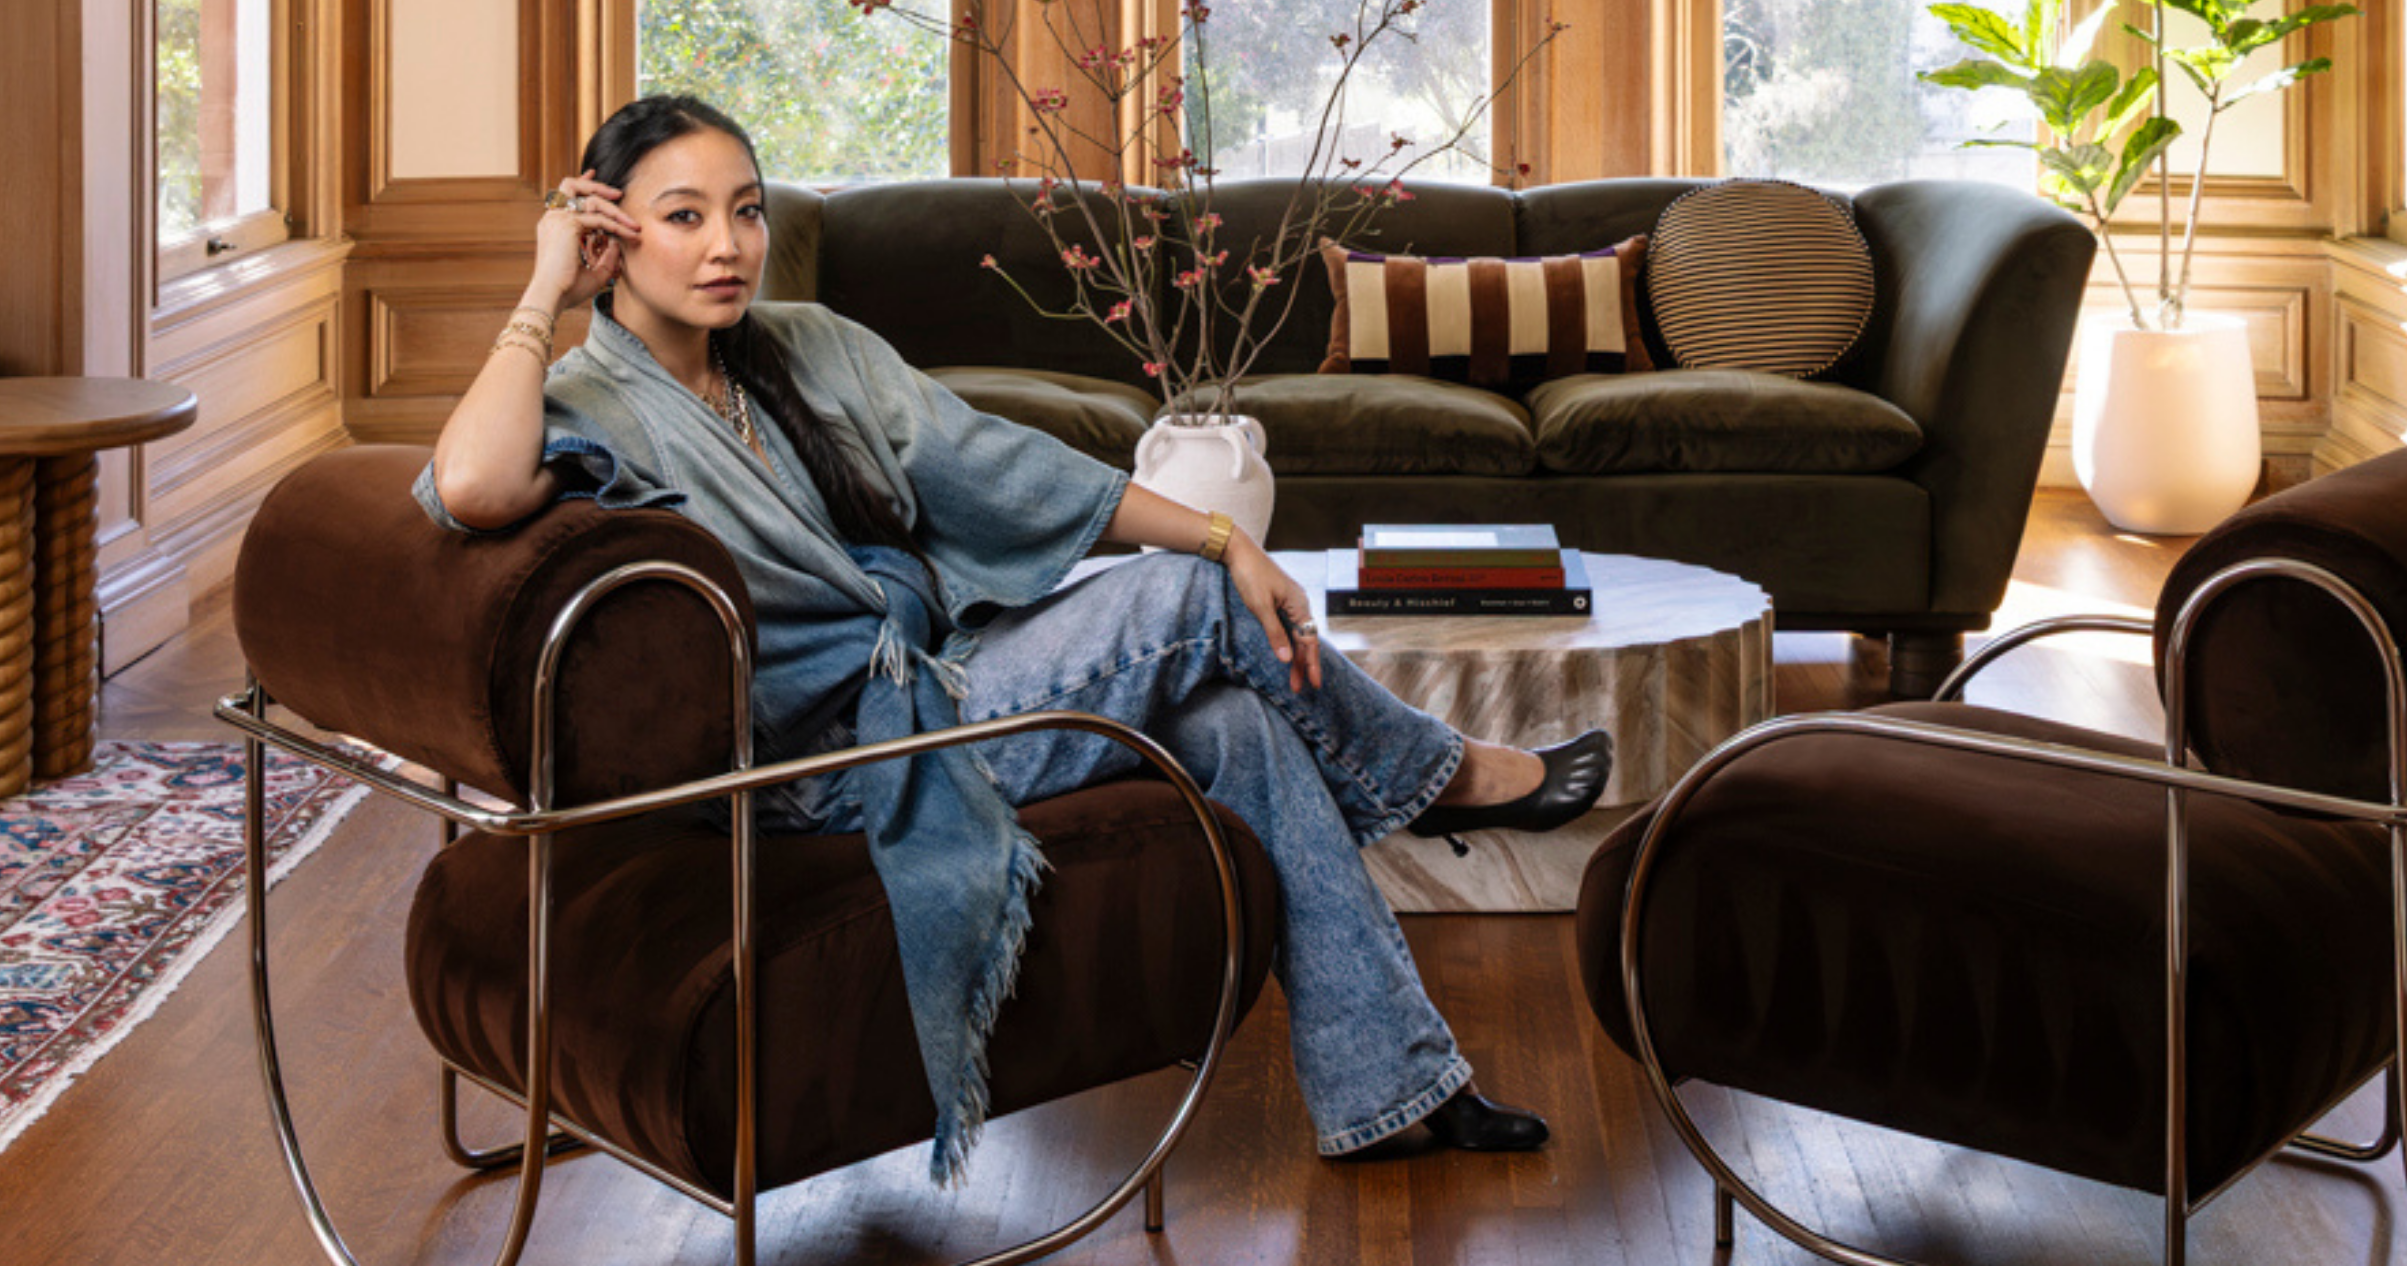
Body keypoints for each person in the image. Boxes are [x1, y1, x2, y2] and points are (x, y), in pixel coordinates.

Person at [419, 93, 1607, 1177]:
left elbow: (998, 462)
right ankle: (1438, 773)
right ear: (606, 235)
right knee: (1195, 597)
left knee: (1238, 717)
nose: (727, 244)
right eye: (683, 216)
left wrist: (1216, 529)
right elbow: (470, 486)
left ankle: (1390, 1087)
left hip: (933, 690)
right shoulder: (588, 407)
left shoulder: (810, 348)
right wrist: (540, 295)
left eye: (745, 209)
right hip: (824, 770)